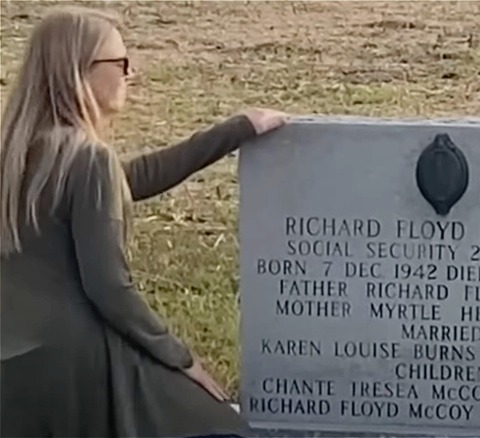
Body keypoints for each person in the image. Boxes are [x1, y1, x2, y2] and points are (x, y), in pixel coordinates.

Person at [0, 6, 287, 438]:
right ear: (78, 71)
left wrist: (234, 130)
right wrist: (181, 358)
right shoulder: (84, 158)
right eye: (120, 63)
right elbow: (110, 289)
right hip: (80, 367)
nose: (130, 74)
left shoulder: (21, 156)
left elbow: (129, 180)